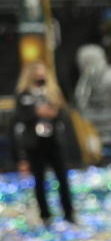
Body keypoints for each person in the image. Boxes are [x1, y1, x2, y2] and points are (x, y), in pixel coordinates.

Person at [11, 60, 76, 225]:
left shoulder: (53, 92)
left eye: (43, 72)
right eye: (37, 72)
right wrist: (36, 112)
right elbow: (19, 118)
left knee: (62, 178)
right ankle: (45, 215)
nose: (40, 76)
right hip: (35, 143)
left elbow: (64, 115)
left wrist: (53, 112)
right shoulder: (24, 95)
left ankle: (69, 213)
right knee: (39, 180)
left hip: (54, 141)